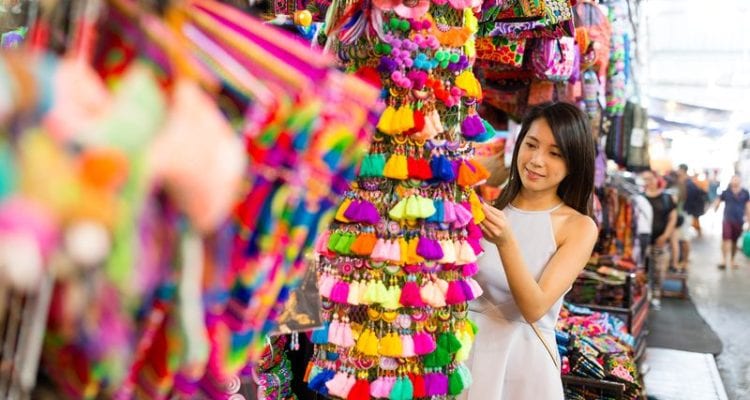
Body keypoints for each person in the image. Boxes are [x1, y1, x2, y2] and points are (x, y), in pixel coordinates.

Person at [461, 102, 598, 400]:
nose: (536, 160)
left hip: (524, 367)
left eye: (555, 153)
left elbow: (535, 308)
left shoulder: (579, 226)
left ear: (573, 162)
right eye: (531, 144)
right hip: (466, 356)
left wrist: (507, 242)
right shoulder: (489, 211)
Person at [641, 169, 677, 309]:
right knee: (642, 268)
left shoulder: (667, 198)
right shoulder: (640, 197)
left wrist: (665, 236)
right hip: (643, 240)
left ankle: (656, 296)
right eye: (645, 179)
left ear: (657, 179)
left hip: (660, 239)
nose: (648, 182)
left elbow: (672, 218)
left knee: (658, 269)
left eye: (650, 179)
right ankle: (644, 294)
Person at [712, 174, 750, 269]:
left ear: (740, 181)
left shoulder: (745, 193)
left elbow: (748, 207)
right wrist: (715, 207)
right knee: (726, 239)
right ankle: (724, 260)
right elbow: (718, 201)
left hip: (739, 220)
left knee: (734, 241)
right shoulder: (726, 192)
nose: (735, 181)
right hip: (727, 219)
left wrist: (749, 220)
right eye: (734, 179)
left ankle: (732, 260)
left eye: (737, 179)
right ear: (731, 181)